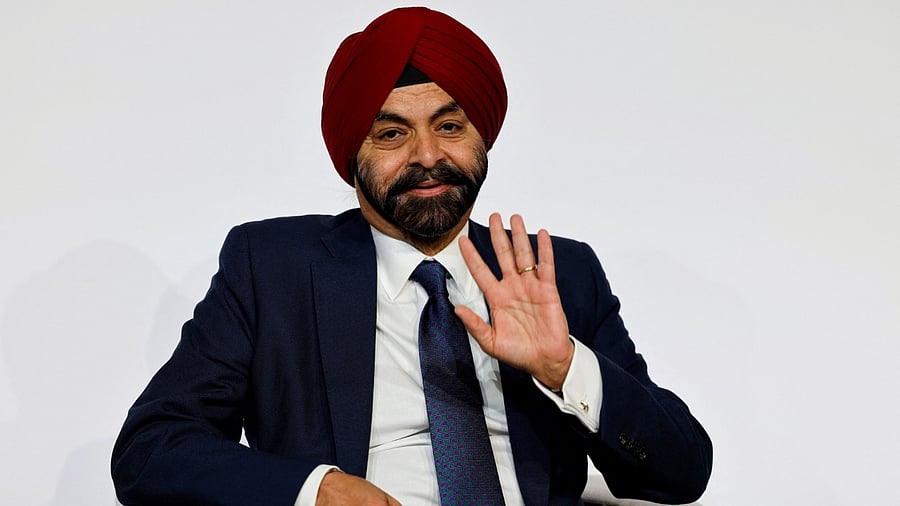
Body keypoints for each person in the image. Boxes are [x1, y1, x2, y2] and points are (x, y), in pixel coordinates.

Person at [111, 7, 712, 506]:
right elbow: (150, 449)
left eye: (449, 127)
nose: (427, 156)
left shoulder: (554, 273)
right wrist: (316, 491)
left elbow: (682, 473)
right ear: (352, 154)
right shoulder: (272, 268)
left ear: (481, 137)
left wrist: (566, 368)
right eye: (392, 134)